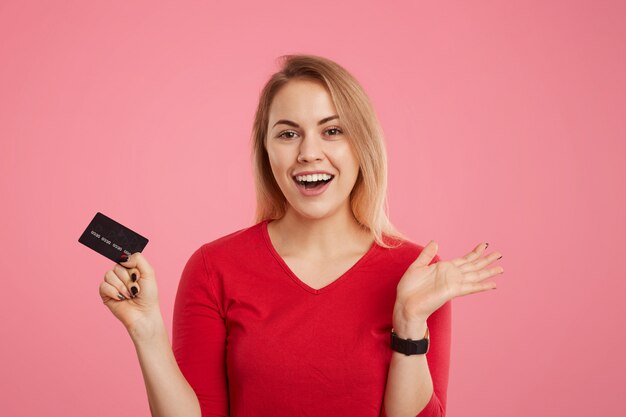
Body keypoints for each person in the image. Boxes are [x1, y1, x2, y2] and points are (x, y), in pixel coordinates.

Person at [99, 54, 504, 417]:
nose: (309, 152)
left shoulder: (416, 273)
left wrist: (410, 322)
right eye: (288, 134)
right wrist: (147, 330)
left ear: (363, 145)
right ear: (266, 150)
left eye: (332, 131)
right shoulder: (213, 268)